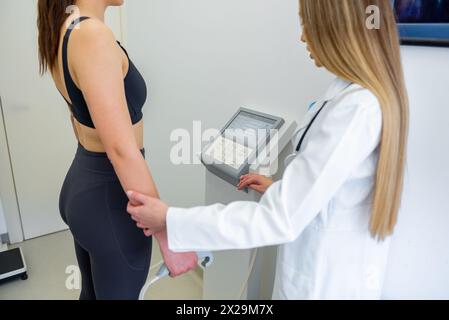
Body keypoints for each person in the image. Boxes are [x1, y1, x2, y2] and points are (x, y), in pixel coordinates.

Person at [126, 0, 409, 299]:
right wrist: (280, 189)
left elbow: (280, 218)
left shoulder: (356, 109)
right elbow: (330, 188)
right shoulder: (345, 95)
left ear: (337, 27)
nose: (302, 37)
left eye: (307, 23)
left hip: (323, 284)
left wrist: (170, 220)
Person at [37, 0, 197, 300]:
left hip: (85, 185)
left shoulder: (66, 28)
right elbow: (121, 150)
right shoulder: (91, 35)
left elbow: (79, 119)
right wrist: (167, 234)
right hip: (111, 200)